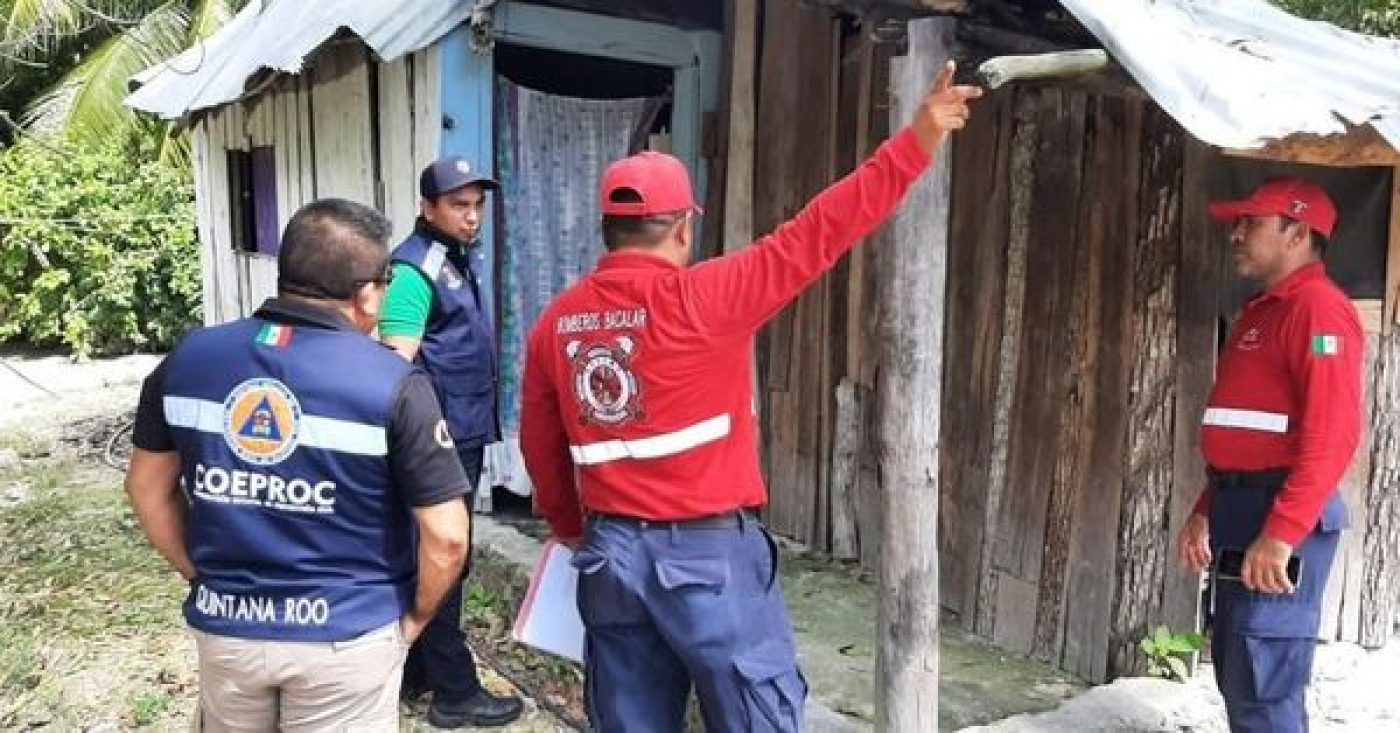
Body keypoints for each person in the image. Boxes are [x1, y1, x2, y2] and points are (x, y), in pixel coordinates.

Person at [518, 61, 981, 731]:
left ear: (606, 230)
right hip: (708, 564)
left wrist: (571, 530)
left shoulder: (554, 324)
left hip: (610, 558)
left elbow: (541, 448)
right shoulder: (710, 295)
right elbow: (822, 228)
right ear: (681, 228)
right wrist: (918, 138)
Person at [123, 198, 472, 731]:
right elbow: (447, 536)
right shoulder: (394, 384)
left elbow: (146, 489)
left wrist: (205, 576)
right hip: (347, 636)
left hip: (228, 632)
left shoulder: (188, 361)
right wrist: (415, 619)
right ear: (365, 293)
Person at [1176, 177, 1362, 732]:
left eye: (1251, 223)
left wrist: (1281, 532)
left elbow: (1332, 437)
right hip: (1242, 511)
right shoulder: (1264, 312)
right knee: (1240, 673)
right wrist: (1207, 507)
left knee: (1266, 682)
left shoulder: (1320, 312)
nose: (1236, 233)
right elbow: (1250, 430)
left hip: (1280, 520)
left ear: (1296, 233)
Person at [379, 156, 522, 727]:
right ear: (427, 207)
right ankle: (456, 692)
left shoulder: (455, 260)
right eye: (459, 205)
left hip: (460, 432)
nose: (472, 216)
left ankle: (414, 676)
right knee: (446, 557)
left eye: (477, 205)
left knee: (432, 558)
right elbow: (393, 365)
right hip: (436, 441)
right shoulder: (415, 270)